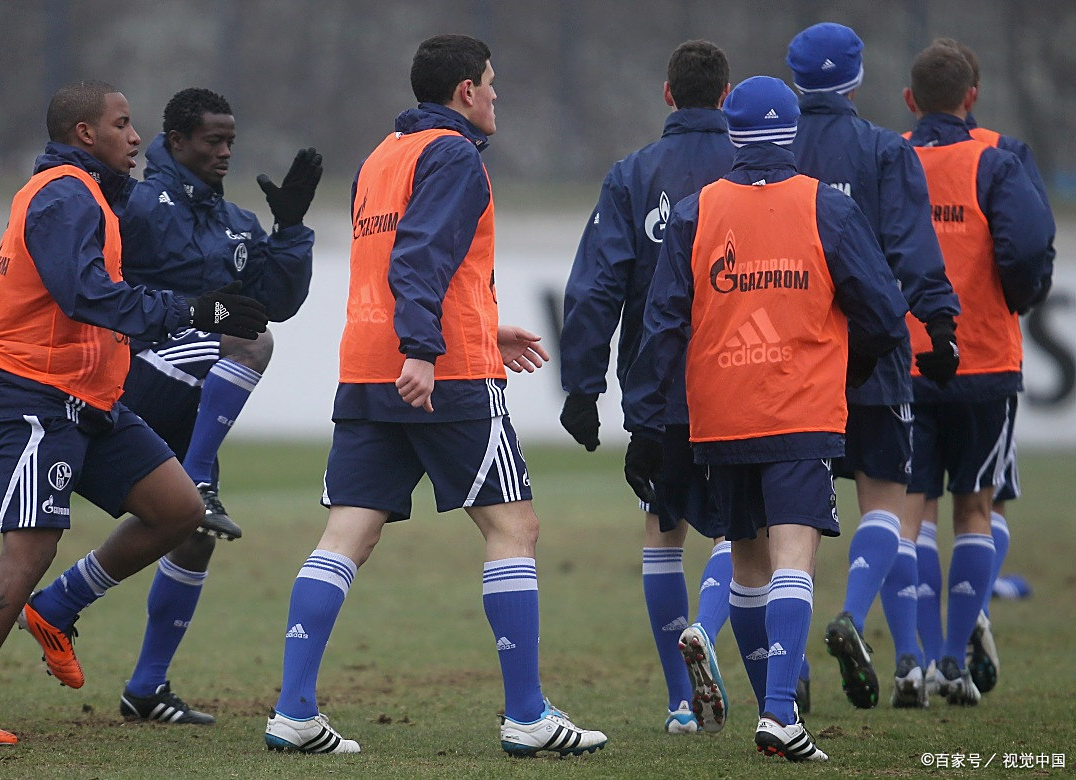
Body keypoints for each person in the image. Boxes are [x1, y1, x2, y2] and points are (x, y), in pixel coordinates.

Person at [261, 34, 607, 757]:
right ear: (465, 93)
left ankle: (292, 711)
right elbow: (421, 254)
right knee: (514, 530)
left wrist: (481, 323)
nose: (495, 96)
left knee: (346, 535)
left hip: (366, 366)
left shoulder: (382, 155)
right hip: (439, 373)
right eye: (492, 84)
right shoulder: (452, 155)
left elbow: (402, 259)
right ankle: (527, 717)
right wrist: (428, 345)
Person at [0, 80, 268, 744]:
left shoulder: (89, 200)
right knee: (30, 548)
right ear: (85, 134)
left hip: (89, 401)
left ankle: (56, 609)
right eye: (123, 124)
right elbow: (89, 296)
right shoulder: (62, 197)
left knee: (180, 510)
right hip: (40, 400)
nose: (135, 137)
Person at [625, 75, 909, 761]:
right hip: (800, 406)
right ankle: (781, 713)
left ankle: (770, 707)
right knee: (793, 558)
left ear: (733, 131)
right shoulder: (825, 208)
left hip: (720, 417)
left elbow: (662, 324)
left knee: (746, 562)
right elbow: (884, 312)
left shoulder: (696, 211)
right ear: (793, 135)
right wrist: (850, 368)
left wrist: (650, 423)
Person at [110, 87, 321, 724]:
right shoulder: (138, 205)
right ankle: (197, 476)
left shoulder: (237, 223)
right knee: (247, 341)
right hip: (135, 379)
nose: (227, 151)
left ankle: (146, 688)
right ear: (176, 142)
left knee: (195, 538)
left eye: (231, 140)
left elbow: (274, 303)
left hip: (192, 394)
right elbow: (89, 283)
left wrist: (288, 230)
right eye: (213, 140)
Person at [559, 39, 735, 735]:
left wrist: (582, 387)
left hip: (661, 388)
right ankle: (733, 649)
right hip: (747, 382)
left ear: (668, 95)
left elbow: (598, 286)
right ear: (726, 98)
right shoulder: (758, 170)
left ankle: (680, 706)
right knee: (745, 530)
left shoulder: (633, 175)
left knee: (664, 534)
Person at [784, 22, 961, 711]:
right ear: (856, 79)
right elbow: (914, 250)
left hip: (794, 358)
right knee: (886, 498)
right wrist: (940, 325)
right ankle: (853, 619)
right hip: (876, 353)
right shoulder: (887, 150)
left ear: (796, 78)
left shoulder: (775, 144)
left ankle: (789, 659)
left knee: (792, 513)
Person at [900, 42, 1053, 706]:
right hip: (985, 360)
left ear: (909, 102)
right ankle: (953, 663)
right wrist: (1015, 298)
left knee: (907, 515)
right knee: (976, 508)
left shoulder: (892, 156)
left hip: (902, 363)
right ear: (973, 96)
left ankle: (911, 662)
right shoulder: (999, 159)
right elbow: (1026, 246)